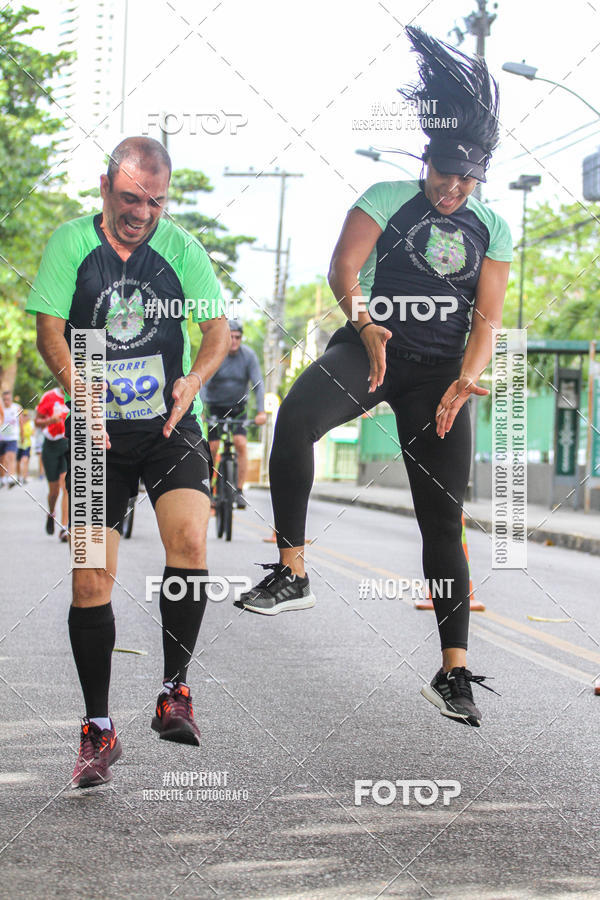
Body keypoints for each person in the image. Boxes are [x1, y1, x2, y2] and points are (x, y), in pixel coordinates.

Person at [241, 27, 512, 728]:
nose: (451, 189)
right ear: (425, 161)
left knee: (441, 521)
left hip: (439, 379)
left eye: (466, 179)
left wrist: (467, 379)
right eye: (442, 173)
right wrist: (364, 324)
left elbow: (486, 322)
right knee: (294, 422)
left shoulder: (493, 228)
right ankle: (292, 570)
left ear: (480, 175)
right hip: (373, 349)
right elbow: (344, 270)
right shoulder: (388, 196)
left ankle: (453, 673)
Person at [27, 136, 230, 788]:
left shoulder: (180, 250)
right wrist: (75, 381)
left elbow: (217, 331)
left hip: (168, 426)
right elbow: (49, 330)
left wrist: (193, 379)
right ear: (106, 186)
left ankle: (175, 690)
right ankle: (98, 730)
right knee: (91, 580)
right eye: (131, 198)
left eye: (156, 201)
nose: (143, 212)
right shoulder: (70, 245)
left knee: (192, 539)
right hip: (95, 432)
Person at [203, 319, 266, 508]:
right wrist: (201, 410)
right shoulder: (217, 354)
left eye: (237, 337)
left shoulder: (249, 356)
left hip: (238, 409)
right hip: (215, 407)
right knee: (213, 447)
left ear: (241, 338)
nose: (234, 340)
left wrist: (261, 411)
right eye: (230, 336)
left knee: (240, 444)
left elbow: (258, 384)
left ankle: (238, 490)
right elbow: (204, 384)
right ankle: (209, 489)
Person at [35, 386, 70, 540]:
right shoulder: (49, 397)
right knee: (54, 491)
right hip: (50, 445)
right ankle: (51, 513)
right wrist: (51, 420)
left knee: (65, 485)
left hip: (67, 443)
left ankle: (64, 527)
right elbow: (37, 421)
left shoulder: (77, 395)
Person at [0, 389, 22, 488]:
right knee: (2, 459)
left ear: (11, 399)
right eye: (4, 399)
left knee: (11, 456)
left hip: (12, 437)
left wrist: (22, 435)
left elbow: (21, 422)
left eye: (8, 399)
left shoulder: (16, 408)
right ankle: (2, 478)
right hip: (2, 437)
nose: (6, 401)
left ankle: (11, 477)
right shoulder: (1, 409)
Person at [17, 409, 34, 483]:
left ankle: (24, 477)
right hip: (19, 445)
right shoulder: (19, 424)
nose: (25, 417)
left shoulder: (30, 424)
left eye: (26, 415)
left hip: (27, 445)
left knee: (25, 461)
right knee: (18, 462)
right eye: (24, 415)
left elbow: (31, 433)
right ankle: (19, 477)